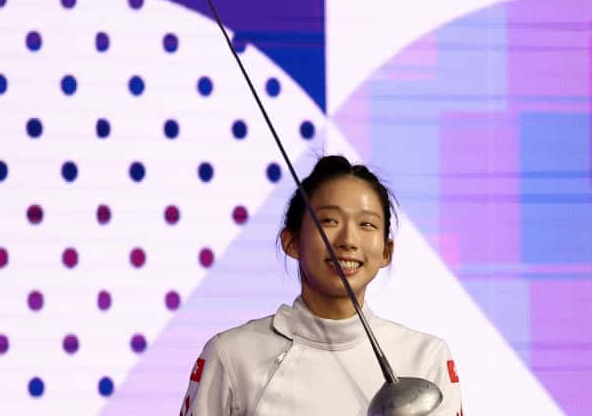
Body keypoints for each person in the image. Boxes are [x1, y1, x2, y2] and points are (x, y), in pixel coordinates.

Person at [179, 155, 463, 416]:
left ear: (386, 252)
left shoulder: (426, 357)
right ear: (291, 242)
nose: (348, 240)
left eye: (366, 224)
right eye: (329, 220)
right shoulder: (232, 354)